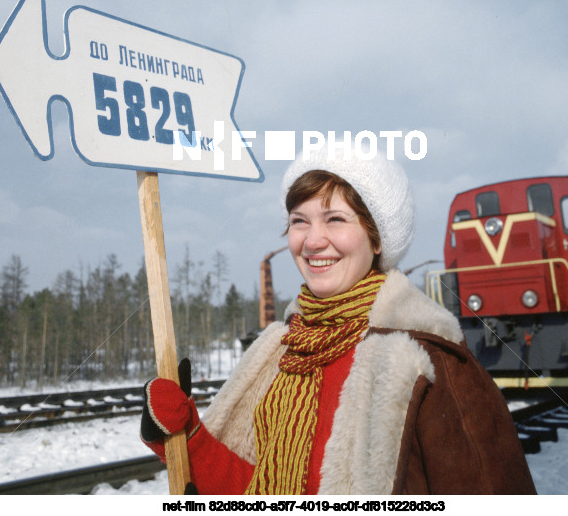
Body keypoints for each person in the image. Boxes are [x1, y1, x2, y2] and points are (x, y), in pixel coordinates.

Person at [141, 149, 536, 495]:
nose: (312, 241)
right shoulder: (279, 351)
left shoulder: (428, 361)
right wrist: (188, 438)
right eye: (300, 221)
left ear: (376, 238)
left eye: (334, 219)